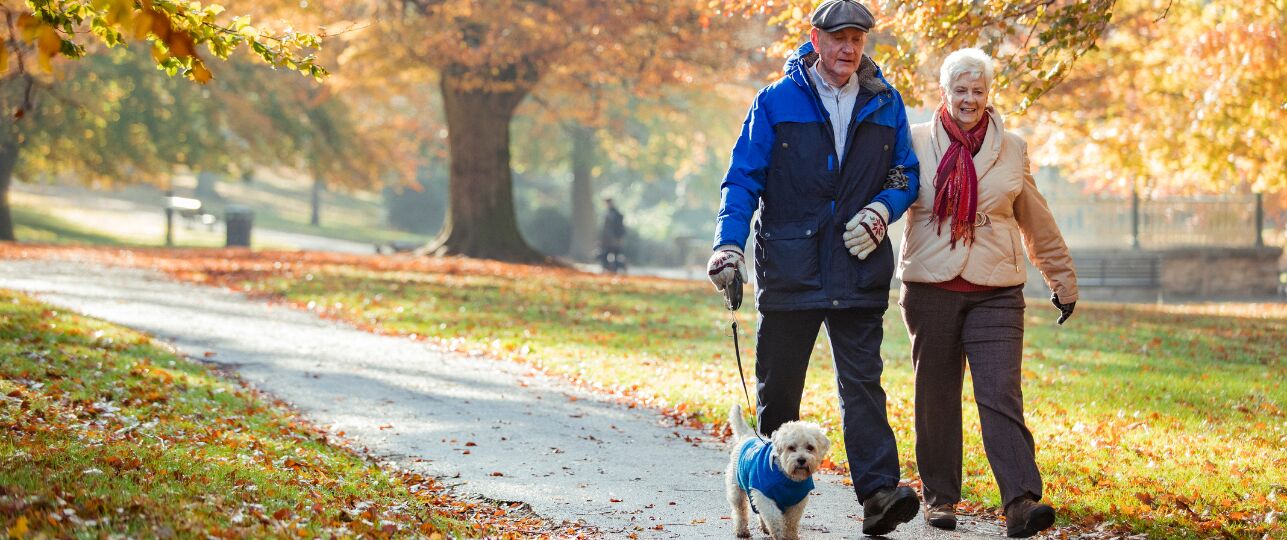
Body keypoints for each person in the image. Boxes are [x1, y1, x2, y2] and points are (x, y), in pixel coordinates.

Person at [706, 0, 922, 535]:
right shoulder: (776, 101)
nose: (849, 48)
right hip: (789, 266)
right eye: (839, 38)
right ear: (816, 38)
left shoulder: (885, 102)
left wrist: (880, 212)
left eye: (858, 38)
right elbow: (742, 179)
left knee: (863, 386)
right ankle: (769, 493)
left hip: (857, 265)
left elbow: (905, 174)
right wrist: (728, 246)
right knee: (779, 390)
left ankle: (878, 496)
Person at [897, 47, 1078, 538]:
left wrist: (1061, 279)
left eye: (978, 90)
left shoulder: (1013, 147)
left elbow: (1036, 220)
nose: (969, 99)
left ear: (989, 94)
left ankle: (1020, 502)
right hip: (931, 286)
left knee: (1000, 392)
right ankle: (940, 498)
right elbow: (888, 198)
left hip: (997, 289)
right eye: (960, 90)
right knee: (935, 394)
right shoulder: (912, 141)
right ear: (944, 92)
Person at [600, 198, 627, 273]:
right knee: (608, 255)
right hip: (609, 240)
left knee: (613, 255)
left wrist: (618, 238)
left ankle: (613, 269)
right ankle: (610, 269)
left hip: (613, 240)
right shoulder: (610, 213)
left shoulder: (614, 214)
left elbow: (618, 228)